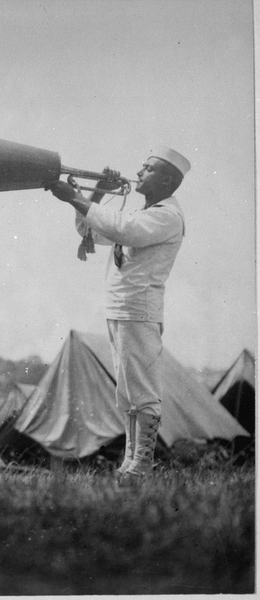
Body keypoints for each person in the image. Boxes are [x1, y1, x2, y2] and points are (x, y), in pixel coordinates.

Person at [45, 146, 190, 482]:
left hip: (138, 311)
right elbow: (90, 229)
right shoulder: (145, 213)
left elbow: (122, 228)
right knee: (126, 394)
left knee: (141, 390)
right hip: (121, 309)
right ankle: (131, 462)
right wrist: (95, 192)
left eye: (148, 168)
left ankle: (142, 464)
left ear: (167, 179)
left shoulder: (167, 216)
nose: (139, 171)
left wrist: (75, 197)